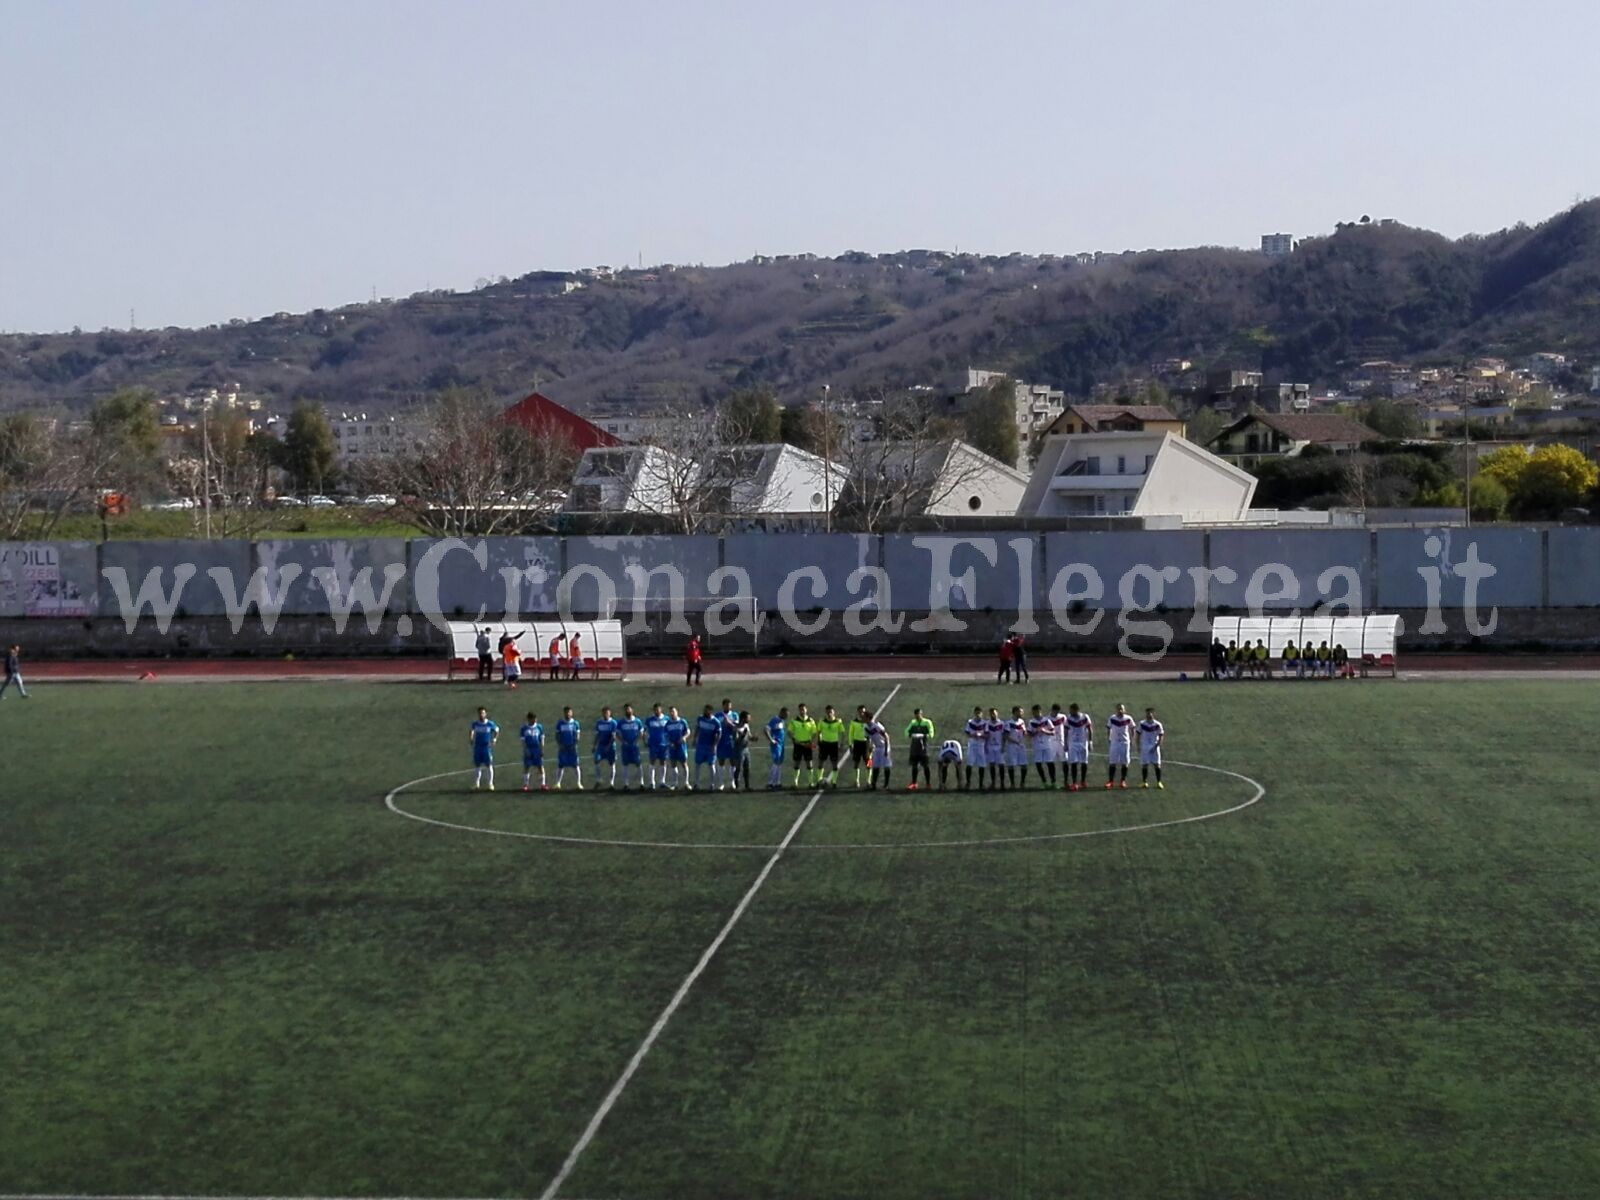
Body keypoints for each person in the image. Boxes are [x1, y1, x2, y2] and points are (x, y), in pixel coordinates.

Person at [1063, 702, 1093, 792]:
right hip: (1073, 743)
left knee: (1084, 762)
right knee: (1074, 763)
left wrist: (1090, 742)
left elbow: (1089, 729)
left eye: (1071, 710)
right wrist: (1066, 743)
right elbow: (1066, 731)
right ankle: (1074, 783)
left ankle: (1083, 781)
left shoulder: (1085, 717)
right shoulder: (1068, 719)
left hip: (1083, 742)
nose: (1070, 712)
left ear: (1076, 710)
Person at [693, 704, 723, 790]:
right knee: (697, 764)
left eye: (706, 710)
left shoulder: (716, 722)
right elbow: (697, 728)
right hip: (701, 746)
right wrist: (695, 739)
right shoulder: (700, 718)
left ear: (710, 711)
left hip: (710, 747)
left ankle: (712, 784)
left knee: (711, 765)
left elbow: (719, 734)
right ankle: (696, 784)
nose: (704, 712)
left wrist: (715, 745)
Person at [788, 703, 818, 789]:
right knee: (797, 763)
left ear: (806, 710)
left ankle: (811, 783)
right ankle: (795, 783)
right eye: (800, 710)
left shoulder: (811, 721)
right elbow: (789, 732)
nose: (802, 711)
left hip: (807, 744)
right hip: (798, 745)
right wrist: (794, 740)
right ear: (799, 710)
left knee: (809, 763)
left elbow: (814, 732)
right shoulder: (794, 720)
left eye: (803, 709)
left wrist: (810, 741)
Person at [904, 708, 935, 790]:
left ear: (922, 714)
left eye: (919, 714)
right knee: (914, 766)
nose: (918, 716)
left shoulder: (927, 722)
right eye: (916, 715)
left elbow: (931, 733)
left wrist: (923, 735)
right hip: (914, 747)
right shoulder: (913, 723)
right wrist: (911, 735)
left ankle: (928, 783)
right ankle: (914, 783)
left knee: (926, 766)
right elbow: (906, 732)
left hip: (923, 748)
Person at [469, 706, 499, 790]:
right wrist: (471, 738)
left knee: (489, 765)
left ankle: (490, 784)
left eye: (482, 713)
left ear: (485, 714)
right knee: (477, 765)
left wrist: (494, 739)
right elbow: (472, 730)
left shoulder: (490, 724)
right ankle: (476, 784)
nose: (481, 715)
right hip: (477, 747)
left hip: (486, 747)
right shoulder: (475, 724)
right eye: (479, 713)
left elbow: (497, 730)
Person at [816, 704, 846, 788]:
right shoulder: (822, 721)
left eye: (831, 712)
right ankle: (819, 780)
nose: (829, 713)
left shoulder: (838, 722)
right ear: (826, 712)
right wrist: (819, 741)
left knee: (834, 764)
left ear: (833, 712)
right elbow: (819, 731)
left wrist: (841, 743)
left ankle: (834, 781)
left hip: (834, 744)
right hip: (824, 744)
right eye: (828, 712)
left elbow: (842, 732)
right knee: (821, 762)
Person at [1105, 703, 1134, 789]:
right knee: (1112, 761)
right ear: (1116, 710)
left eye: (1122, 709)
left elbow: (1133, 728)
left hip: (1125, 742)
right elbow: (1108, 728)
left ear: (1124, 710)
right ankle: (1110, 781)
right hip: (1115, 742)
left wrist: (1132, 739)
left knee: (1125, 762)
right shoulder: (1112, 718)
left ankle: (1123, 781)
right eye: (1118, 709)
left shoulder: (1128, 718)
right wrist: (1109, 738)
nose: (1120, 710)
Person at [553, 706, 583, 790]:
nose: (567, 714)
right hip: (563, 747)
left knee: (576, 765)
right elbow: (557, 735)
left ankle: (579, 783)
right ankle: (558, 783)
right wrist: (560, 744)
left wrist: (575, 744)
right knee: (561, 765)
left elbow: (577, 736)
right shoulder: (560, 723)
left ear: (572, 713)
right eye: (566, 712)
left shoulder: (575, 723)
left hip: (572, 748)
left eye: (569, 712)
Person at [616, 704, 645, 789]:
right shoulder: (621, 722)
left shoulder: (637, 721)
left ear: (632, 710)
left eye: (629, 709)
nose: (627, 711)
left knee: (638, 764)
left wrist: (636, 741)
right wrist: (622, 741)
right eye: (626, 710)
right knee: (625, 765)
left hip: (635, 747)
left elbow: (641, 732)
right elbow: (617, 733)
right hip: (625, 747)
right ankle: (626, 784)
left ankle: (641, 783)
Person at [1028, 704, 1056, 787]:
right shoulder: (1031, 722)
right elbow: (1029, 735)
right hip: (1037, 746)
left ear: (1039, 711)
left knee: (1050, 763)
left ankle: (1053, 782)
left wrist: (1044, 731)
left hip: (1047, 745)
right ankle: (1044, 782)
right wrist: (1036, 731)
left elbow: (1053, 732)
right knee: (1038, 763)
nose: (1034, 714)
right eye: (1033, 712)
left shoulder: (1047, 720)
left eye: (1035, 712)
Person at [716, 697, 741, 789]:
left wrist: (729, 723)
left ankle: (732, 782)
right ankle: (721, 783)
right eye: (727, 705)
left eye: (730, 705)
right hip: (721, 741)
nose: (729, 707)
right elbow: (715, 726)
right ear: (723, 706)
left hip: (731, 740)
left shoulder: (734, 715)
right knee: (721, 761)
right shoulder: (718, 715)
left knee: (732, 762)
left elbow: (737, 726)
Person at [644, 703, 671, 789]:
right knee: (652, 762)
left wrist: (669, 741)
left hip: (664, 744)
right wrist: (645, 740)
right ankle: (652, 782)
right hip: (653, 744)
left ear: (661, 709)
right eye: (655, 710)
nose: (657, 711)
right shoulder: (649, 720)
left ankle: (662, 781)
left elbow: (670, 730)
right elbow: (645, 731)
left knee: (663, 762)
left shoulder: (667, 719)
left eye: (658, 709)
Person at [592, 705, 619, 788]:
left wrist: (608, 746)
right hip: (601, 746)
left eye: (607, 713)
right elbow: (597, 735)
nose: (605, 714)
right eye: (604, 713)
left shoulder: (613, 723)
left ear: (610, 713)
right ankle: (599, 779)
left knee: (612, 764)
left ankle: (611, 782)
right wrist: (594, 745)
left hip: (610, 747)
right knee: (596, 760)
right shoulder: (599, 723)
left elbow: (613, 736)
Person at [1138, 707, 1165, 789]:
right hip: (1145, 746)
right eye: (1147, 713)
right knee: (1144, 765)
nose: (1148, 715)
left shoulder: (1157, 724)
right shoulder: (1142, 723)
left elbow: (1161, 735)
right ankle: (1144, 782)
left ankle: (1159, 782)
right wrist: (1138, 746)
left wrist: (1157, 745)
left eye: (1150, 713)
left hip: (1154, 746)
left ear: (1153, 714)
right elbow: (1138, 734)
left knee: (1157, 764)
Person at [664, 705, 690, 790]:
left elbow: (688, 731)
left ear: (677, 712)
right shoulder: (668, 723)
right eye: (670, 712)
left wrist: (684, 737)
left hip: (681, 746)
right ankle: (675, 783)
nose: (672, 713)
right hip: (672, 747)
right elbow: (665, 735)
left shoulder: (682, 722)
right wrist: (669, 742)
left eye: (673, 712)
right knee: (673, 764)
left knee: (684, 763)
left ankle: (686, 783)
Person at [519, 711, 546, 792]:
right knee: (527, 767)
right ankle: (526, 785)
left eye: (535, 718)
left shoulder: (539, 727)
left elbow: (542, 739)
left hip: (537, 749)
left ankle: (543, 784)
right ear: (529, 719)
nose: (534, 720)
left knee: (540, 766)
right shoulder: (524, 729)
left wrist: (542, 749)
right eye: (532, 719)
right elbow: (523, 741)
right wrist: (525, 750)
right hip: (529, 749)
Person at [865, 710, 892, 790]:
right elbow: (868, 738)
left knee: (886, 766)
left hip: (883, 747)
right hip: (876, 748)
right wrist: (868, 749)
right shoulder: (866, 727)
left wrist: (887, 749)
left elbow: (886, 736)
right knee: (875, 766)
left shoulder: (877, 726)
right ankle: (873, 784)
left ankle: (886, 784)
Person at [964, 706, 988, 791]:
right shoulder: (970, 722)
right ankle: (968, 782)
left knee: (982, 764)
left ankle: (981, 783)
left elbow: (987, 735)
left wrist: (981, 735)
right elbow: (967, 733)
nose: (978, 715)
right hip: (972, 745)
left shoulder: (985, 723)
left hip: (981, 746)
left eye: (979, 713)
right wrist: (974, 735)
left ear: (981, 714)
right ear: (974, 713)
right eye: (976, 713)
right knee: (969, 763)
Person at [764, 707, 788, 790]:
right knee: (776, 762)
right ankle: (770, 783)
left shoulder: (782, 721)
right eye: (785, 715)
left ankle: (777, 782)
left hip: (781, 744)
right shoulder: (774, 720)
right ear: (781, 713)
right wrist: (771, 740)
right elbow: (766, 729)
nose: (786, 716)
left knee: (779, 763)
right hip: (776, 744)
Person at [848, 705, 871, 789]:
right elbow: (850, 734)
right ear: (858, 712)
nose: (862, 713)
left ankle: (868, 781)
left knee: (869, 763)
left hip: (866, 744)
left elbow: (872, 734)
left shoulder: (869, 722)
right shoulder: (854, 722)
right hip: (857, 744)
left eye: (863, 712)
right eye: (860, 712)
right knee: (856, 763)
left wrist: (873, 745)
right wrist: (850, 744)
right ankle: (856, 781)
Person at [983, 707, 1005, 790]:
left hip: (999, 746)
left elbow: (1004, 736)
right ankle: (993, 783)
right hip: (990, 746)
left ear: (997, 714)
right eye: (991, 714)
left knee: (1001, 765)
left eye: (994, 714)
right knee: (992, 765)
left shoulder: (1002, 724)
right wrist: (985, 746)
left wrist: (1003, 746)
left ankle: (1002, 783)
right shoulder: (987, 724)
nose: (993, 715)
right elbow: (986, 736)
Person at [735, 710, 754, 791]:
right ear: (743, 718)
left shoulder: (746, 726)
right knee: (738, 768)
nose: (749, 719)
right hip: (739, 749)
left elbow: (749, 735)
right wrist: (742, 735)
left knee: (747, 767)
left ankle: (747, 786)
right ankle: (737, 786)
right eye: (748, 718)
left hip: (746, 749)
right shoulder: (737, 728)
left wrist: (753, 738)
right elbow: (736, 741)